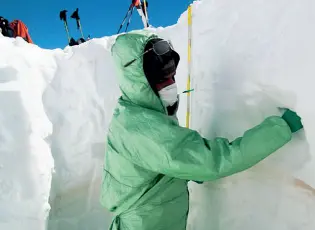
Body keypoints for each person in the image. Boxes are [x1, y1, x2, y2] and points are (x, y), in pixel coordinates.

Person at [100, 30, 303, 230]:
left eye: (172, 77)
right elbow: (214, 161)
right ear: (139, 82)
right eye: (162, 80)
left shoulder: (135, 112)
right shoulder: (141, 127)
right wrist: (280, 128)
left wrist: (182, 167)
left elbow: (159, 159)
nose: (170, 85)